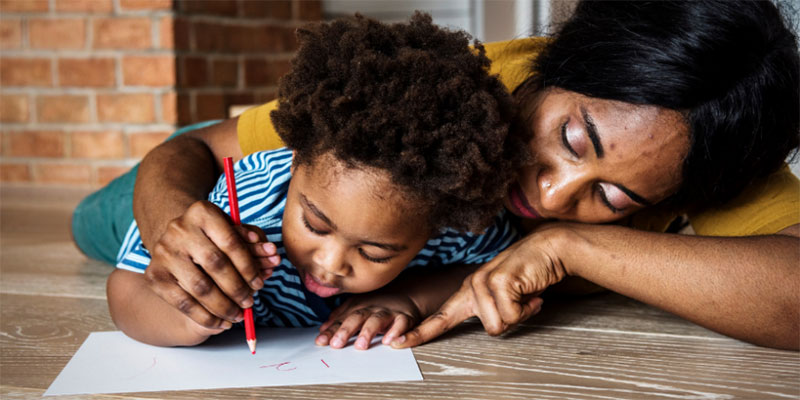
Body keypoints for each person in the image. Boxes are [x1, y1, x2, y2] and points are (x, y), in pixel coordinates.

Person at [74, 1, 799, 350]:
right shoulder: (457, 89)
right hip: (211, 184)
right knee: (93, 222)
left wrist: (567, 248)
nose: (547, 196)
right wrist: (168, 213)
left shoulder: (716, 146)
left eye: (612, 197)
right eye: (569, 137)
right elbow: (205, 147)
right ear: (552, 65)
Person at [103, 13, 528, 347]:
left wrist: (412, 298)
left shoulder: (448, 220)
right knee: (93, 222)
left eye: (375, 253)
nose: (330, 263)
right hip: (162, 183)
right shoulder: (245, 205)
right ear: (293, 165)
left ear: (436, 227)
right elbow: (124, 287)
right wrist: (185, 315)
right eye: (315, 225)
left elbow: (495, 264)